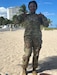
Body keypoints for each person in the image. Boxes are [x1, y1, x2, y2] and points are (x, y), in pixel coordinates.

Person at [18, 1, 49, 75]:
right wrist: (21, 16)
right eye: (31, 6)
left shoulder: (39, 16)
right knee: (27, 54)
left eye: (34, 6)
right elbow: (16, 21)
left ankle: (34, 69)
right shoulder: (26, 16)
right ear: (29, 7)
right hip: (28, 38)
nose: (32, 7)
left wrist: (43, 17)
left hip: (37, 38)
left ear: (36, 7)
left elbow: (46, 25)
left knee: (36, 54)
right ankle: (24, 69)